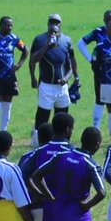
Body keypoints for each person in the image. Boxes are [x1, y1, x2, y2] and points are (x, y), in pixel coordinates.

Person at [27, 15, 81, 145]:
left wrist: (70, 78)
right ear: (47, 24)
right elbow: (33, 60)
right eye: (51, 23)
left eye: (57, 23)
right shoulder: (39, 40)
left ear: (61, 25)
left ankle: (61, 140)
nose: (54, 27)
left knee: (62, 115)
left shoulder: (66, 41)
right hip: (46, 85)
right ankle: (37, 140)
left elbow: (71, 64)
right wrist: (46, 45)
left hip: (62, 87)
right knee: (43, 115)